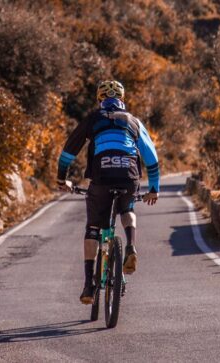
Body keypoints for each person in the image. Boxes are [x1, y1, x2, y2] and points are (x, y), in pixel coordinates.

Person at [56, 80, 160, 305]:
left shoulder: (93, 119)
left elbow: (68, 152)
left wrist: (61, 178)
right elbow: (151, 158)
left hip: (101, 176)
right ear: (123, 100)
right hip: (129, 174)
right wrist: (154, 189)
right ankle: (131, 245)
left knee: (93, 227)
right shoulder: (133, 121)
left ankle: (89, 285)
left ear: (99, 99)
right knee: (127, 207)